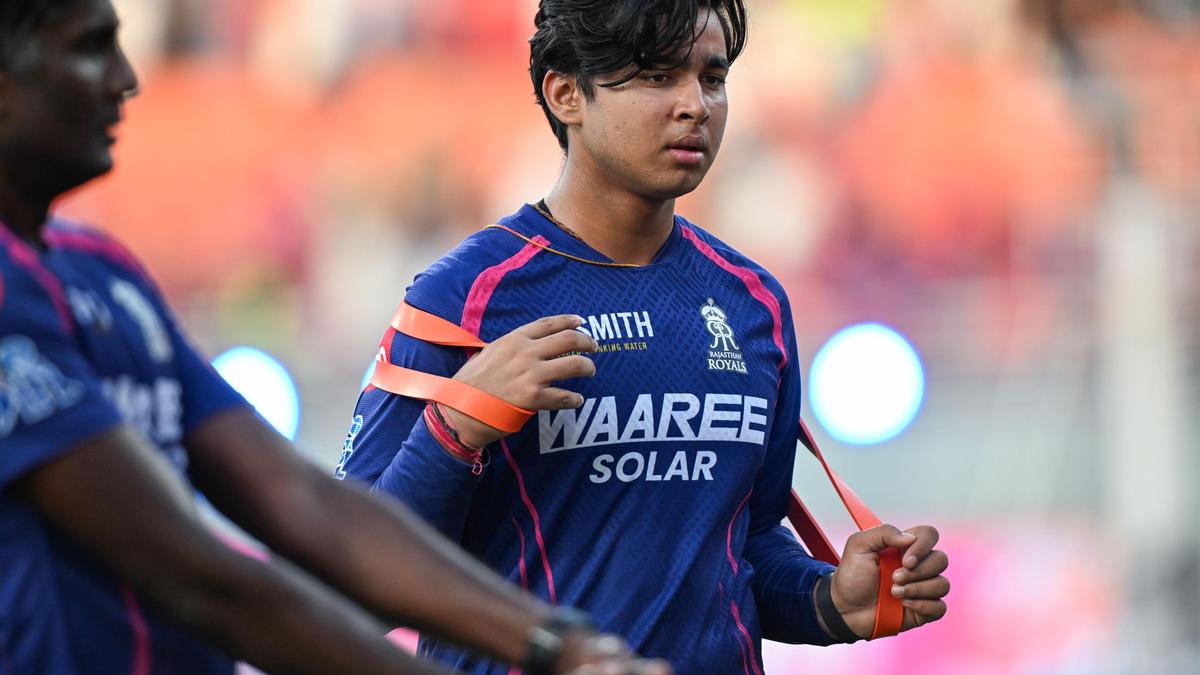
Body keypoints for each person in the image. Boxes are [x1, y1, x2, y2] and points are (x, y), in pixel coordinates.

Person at [0, 1, 672, 673]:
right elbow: (196, 574)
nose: (126, 78)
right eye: (90, 48)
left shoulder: (105, 274)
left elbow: (305, 501)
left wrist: (565, 644)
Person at [338, 0, 951, 673]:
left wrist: (828, 599)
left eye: (712, 78)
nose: (695, 106)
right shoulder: (463, 300)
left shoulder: (753, 303)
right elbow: (352, 574)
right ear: (567, 93)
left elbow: (744, 543)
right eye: (657, 76)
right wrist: (455, 427)